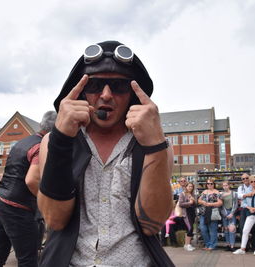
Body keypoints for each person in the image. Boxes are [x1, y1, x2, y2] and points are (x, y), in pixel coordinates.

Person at [37, 41, 174, 266]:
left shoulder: (156, 145)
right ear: (81, 91)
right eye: (95, 84)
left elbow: (153, 224)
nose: (106, 95)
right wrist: (61, 139)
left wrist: (155, 146)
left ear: (132, 93)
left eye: (119, 86)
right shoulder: (53, 142)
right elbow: (54, 219)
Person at [0, 110, 57, 267]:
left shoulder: (22, 142)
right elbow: (32, 180)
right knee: (28, 260)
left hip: (0, 202)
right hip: (18, 208)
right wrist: (46, 202)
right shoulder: (41, 147)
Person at [233, 175, 255, 256]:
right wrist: (249, 207)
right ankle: (242, 248)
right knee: (245, 230)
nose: (253, 183)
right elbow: (243, 202)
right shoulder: (247, 190)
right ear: (250, 182)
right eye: (252, 181)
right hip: (249, 213)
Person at [198, 178, 222, 251]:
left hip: (213, 212)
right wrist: (203, 202)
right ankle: (207, 244)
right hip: (204, 212)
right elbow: (199, 200)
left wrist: (210, 204)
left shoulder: (217, 192)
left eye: (211, 183)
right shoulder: (204, 192)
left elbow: (220, 203)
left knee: (212, 230)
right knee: (203, 228)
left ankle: (212, 245)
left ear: (214, 184)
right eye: (208, 183)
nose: (209, 185)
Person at [178, 182, 196, 251]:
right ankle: (186, 245)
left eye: (191, 186)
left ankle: (188, 244)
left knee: (191, 228)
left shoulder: (193, 194)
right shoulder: (182, 194)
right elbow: (180, 204)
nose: (190, 188)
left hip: (192, 213)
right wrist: (189, 203)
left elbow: (195, 205)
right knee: (190, 228)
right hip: (186, 213)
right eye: (189, 186)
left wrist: (194, 201)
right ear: (186, 187)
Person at [221, 180, 238, 251]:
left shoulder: (234, 194)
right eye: (223, 186)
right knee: (226, 229)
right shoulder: (221, 194)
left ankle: (232, 245)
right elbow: (221, 205)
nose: (225, 187)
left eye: (226, 185)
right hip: (224, 213)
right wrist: (225, 213)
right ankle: (228, 244)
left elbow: (235, 204)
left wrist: (231, 213)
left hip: (231, 212)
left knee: (232, 229)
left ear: (229, 185)